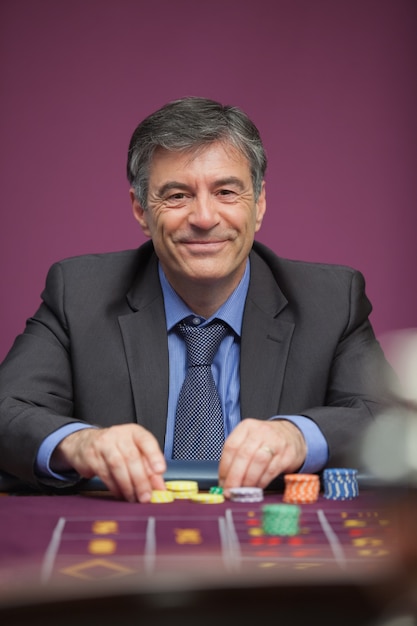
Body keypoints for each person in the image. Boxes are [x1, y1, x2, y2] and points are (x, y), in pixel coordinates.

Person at [0, 97, 391, 503]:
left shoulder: (331, 302)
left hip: (269, 555)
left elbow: (385, 419)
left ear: (258, 205)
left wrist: (298, 436)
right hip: (128, 552)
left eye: (226, 191)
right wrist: (80, 445)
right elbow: (7, 411)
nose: (204, 218)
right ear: (140, 209)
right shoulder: (78, 295)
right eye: (177, 195)